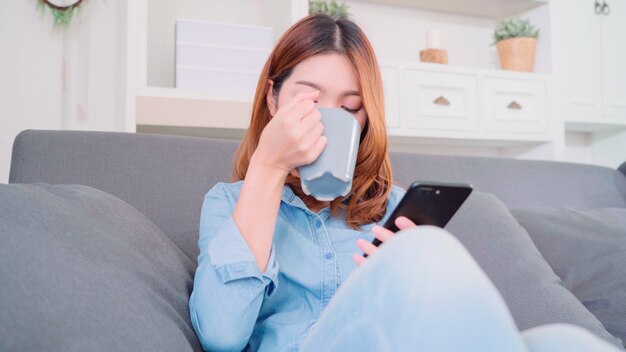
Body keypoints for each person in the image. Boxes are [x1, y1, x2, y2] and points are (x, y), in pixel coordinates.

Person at [188, 14, 620, 352]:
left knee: (567, 342)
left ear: (364, 118)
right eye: (310, 100)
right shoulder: (229, 203)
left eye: (350, 106)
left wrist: (403, 280)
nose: (329, 118)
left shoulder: (393, 208)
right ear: (272, 97)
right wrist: (268, 164)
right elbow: (223, 334)